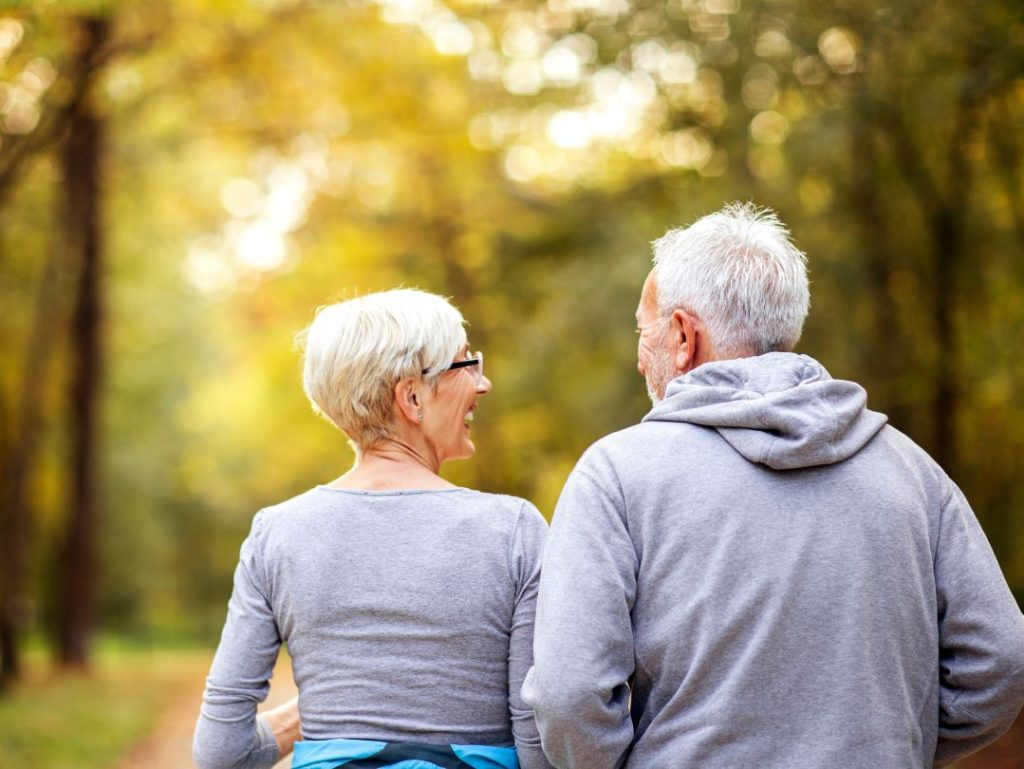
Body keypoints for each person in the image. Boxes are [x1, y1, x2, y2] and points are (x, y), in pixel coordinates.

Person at [522, 203, 1024, 769]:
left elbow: (569, 695)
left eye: (644, 332)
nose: (642, 360)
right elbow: (1001, 662)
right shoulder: (910, 468)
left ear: (684, 336)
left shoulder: (615, 473)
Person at [194, 289, 553, 769]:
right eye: (466, 365)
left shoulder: (276, 535)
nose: (482, 383)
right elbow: (541, 742)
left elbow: (221, 754)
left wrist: (332, 718)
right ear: (411, 397)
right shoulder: (513, 530)